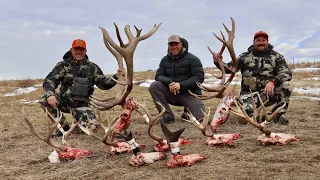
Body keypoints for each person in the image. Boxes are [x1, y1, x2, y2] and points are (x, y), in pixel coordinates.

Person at [39, 39, 124, 136]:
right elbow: (49, 81)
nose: (79, 52)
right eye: (76, 49)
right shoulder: (63, 65)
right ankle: (63, 127)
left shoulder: (92, 67)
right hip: (64, 101)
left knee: (91, 130)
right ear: (71, 50)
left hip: (82, 105)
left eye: (81, 49)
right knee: (44, 99)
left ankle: (79, 124)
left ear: (85, 51)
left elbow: (103, 84)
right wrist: (50, 94)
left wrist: (116, 76)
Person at [213, 31, 292, 125]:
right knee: (248, 117)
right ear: (254, 42)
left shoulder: (277, 57)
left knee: (286, 86)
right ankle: (259, 116)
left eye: (263, 40)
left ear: (267, 42)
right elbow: (230, 69)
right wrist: (218, 62)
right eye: (258, 40)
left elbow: (286, 73)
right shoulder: (244, 57)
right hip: (249, 95)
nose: (261, 42)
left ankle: (277, 116)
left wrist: (273, 82)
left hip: (267, 93)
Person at [149, 35, 205, 124]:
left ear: (181, 44)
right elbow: (159, 76)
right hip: (172, 94)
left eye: (176, 44)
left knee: (201, 119)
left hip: (189, 95)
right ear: (168, 46)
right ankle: (167, 115)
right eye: (171, 45)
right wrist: (170, 82)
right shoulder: (164, 60)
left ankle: (187, 113)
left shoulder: (193, 59)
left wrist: (181, 85)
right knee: (154, 86)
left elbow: (199, 77)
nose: (174, 47)